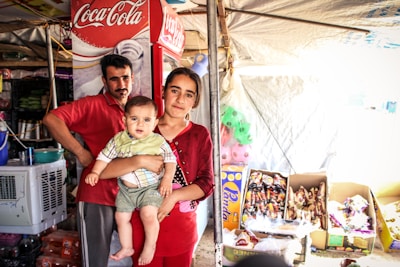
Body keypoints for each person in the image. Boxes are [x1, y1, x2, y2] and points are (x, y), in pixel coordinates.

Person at [42, 54, 164, 267]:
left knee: (132, 257)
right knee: (96, 261)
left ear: (133, 77)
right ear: (104, 81)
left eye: (125, 78)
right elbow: (51, 119)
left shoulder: (137, 109)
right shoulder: (92, 105)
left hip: (130, 195)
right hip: (97, 195)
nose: (121, 84)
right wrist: (80, 152)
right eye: (114, 79)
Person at [100, 67, 215, 267]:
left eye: (188, 94)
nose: (180, 99)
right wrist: (139, 161)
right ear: (163, 91)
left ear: (195, 101)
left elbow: (206, 183)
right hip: (141, 229)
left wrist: (174, 197)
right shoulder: (140, 128)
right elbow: (103, 171)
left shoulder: (199, 134)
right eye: (175, 90)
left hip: (182, 230)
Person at [84, 95, 177, 265]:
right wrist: (96, 172)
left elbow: (171, 161)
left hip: (150, 188)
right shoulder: (118, 140)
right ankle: (127, 247)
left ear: (155, 123)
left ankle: (151, 244)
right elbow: (104, 157)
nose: (140, 124)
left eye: (147, 120)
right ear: (124, 119)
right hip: (126, 191)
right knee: (121, 217)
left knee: (148, 214)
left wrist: (167, 181)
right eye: (134, 119)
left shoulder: (157, 141)